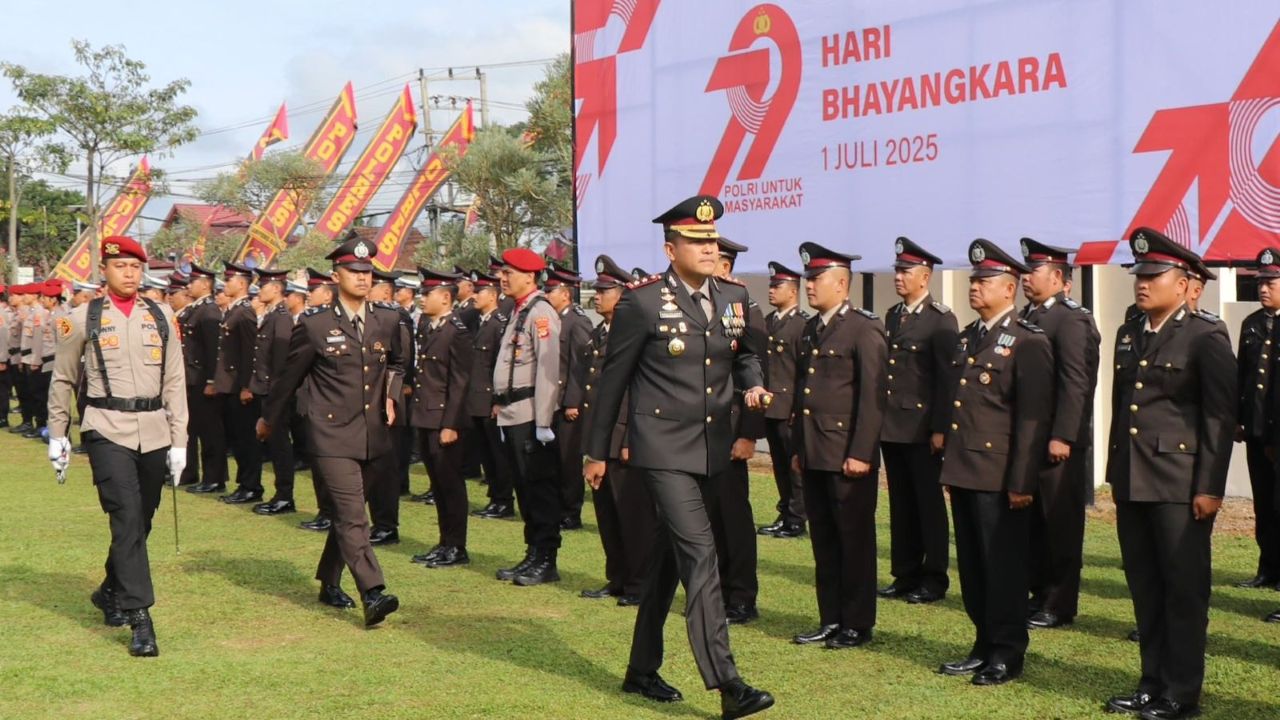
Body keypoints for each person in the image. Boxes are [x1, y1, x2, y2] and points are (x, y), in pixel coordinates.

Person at [584, 195, 774, 720]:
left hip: (711, 448)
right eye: (697, 241)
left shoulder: (735, 295)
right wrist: (596, 452)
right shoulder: (641, 302)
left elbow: (747, 354)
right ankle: (728, 683)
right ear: (671, 249)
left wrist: (753, 385)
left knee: (668, 561)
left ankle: (641, 668)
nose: (709, 248)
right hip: (662, 448)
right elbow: (612, 382)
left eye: (712, 239)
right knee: (700, 555)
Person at [1102, 228, 1235, 720]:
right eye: (1140, 275)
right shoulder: (1130, 330)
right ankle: (1150, 682)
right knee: (1145, 587)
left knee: (1182, 590)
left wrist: (1209, 487)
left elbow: (1218, 418)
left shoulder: (1205, 335)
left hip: (1180, 485)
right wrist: (1117, 474)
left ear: (1183, 285)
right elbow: (1123, 408)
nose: (1143, 283)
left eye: (1154, 275)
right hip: (1135, 480)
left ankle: (1181, 693)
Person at [47, 235, 188, 657]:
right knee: (125, 517)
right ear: (104, 270)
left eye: (134, 266)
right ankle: (140, 618)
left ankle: (109, 589)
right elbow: (64, 379)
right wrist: (58, 434)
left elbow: (175, 381)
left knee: (141, 521)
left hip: (154, 429)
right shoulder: (80, 318)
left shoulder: (162, 316)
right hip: (106, 427)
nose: (129, 273)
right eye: (120, 266)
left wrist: (180, 439)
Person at [257, 234, 404, 626]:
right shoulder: (316, 325)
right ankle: (373, 591)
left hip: (374, 433)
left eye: (367, 271)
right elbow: (288, 379)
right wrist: (268, 418)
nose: (362, 277)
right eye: (354, 271)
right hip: (331, 435)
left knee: (346, 516)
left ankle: (328, 580)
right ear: (336, 276)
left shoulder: (387, 319)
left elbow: (400, 364)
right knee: (354, 515)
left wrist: (391, 394)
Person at [936, 239, 1053, 687]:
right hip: (965, 470)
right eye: (973, 280)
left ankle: (1007, 652)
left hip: (1001, 475)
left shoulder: (1028, 342)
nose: (974, 287)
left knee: (1002, 566)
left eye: (984, 281)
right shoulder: (970, 337)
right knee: (972, 564)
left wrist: (1022, 480)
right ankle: (983, 642)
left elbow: (1031, 419)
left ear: (1010, 289)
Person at [789, 242, 888, 650]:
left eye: (817, 279)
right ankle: (830, 617)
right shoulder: (813, 327)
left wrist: (862, 453)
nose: (809, 286)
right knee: (825, 542)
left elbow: (872, 396)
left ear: (842, 283)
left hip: (847, 454)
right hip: (816, 452)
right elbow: (804, 393)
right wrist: (799, 448)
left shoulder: (864, 329)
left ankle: (857, 622)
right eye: (808, 279)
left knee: (854, 541)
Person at [1018, 238, 1101, 630]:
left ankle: (1059, 602)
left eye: (1032, 271)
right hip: (1027, 439)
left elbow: (1077, 382)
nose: (1024, 278)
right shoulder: (1027, 315)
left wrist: (1064, 435)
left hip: (1056, 440)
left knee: (1060, 524)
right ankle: (1037, 593)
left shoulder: (1070, 319)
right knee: (1032, 523)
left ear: (1057, 277)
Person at [569, 254, 656, 607]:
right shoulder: (600, 332)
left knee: (632, 515)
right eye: (598, 290)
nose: (598, 296)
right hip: (600, 439)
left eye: (605, 291)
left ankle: (640, 583)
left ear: (622, 295)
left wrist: (627, 439)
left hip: (624, 440)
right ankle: (617, 577)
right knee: (606, 513)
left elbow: (635, 391)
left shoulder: (633, 333)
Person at [878, 237, 958, 605]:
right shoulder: (894, 315)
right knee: (901, 504)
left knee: (928, 504)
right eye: (897, 270)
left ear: (924, 277)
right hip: (893, 426)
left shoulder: (941, 320)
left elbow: (947, 380)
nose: (899, 277)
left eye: (906, 271)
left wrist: (941, 428)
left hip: (923, 428)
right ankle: (905, 572)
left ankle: (934, 577)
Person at [491, 248, 564, 586]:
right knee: (524, 487)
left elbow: (548, 370)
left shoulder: (541, 313)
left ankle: (546, 559)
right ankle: (533, 553)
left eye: (510, 273)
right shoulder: (517, 310)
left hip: (531, 414)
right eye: (502, 272)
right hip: (512, 412)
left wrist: (544, 422)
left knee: (539, 489)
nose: (502, 278)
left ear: (530, 276)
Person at [408, 268, 474, 568]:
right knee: (437, 484)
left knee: (450, 484)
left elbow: (460, 382)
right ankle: (444, 542)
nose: (422, 299)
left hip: (444, 420)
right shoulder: (428, 325)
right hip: (425, 415)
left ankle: (457, 546)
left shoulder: (456, 331)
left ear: (446, 298)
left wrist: (451, 423)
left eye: (427, 294)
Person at [1235, 246, 1280, 591]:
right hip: (1257, 430)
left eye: (1271, 281)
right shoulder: (1251, 324)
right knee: (1264, 504)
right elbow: (1242, 376)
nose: (1263, 288)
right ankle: (1268, 569)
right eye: (1260, 282)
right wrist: (1239, 419)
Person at [758, 261, 808, 540]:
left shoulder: (800, 325)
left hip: (789, 407)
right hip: (770, 406)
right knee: (778, 463)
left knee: (794, 465)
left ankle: (797, 518)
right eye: (771, 285)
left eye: (777, 286)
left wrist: (798, 409)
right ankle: (785, 510)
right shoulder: (769, 321)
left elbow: (803, 372)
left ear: (793, 291)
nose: (771, 290)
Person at [544, 266, 592, 530]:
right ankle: (559, 507)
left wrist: (573, 401)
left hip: (568, 404)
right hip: (554, 400)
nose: (546, 295)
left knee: (568, 460)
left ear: (565, 293)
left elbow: (581, 366)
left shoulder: (577, 321)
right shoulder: (555, 319)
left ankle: (571, 512)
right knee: (554, 459)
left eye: (550, 290)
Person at [247, 268, 297, 516]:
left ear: (276, 288)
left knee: (280, 445)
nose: (260, 290)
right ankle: (280, 494)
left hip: (274, 391)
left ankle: (285, 496)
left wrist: (277, 397)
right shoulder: (271, 315)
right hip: (265, 388)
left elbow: (281, 362)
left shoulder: (281, 317)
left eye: (264, 286)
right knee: (274, 444)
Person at [367, 267, 412, 546]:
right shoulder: (371, 315)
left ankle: (386, 525)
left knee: (385, 466)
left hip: (388, 403)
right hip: (370, 401)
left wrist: (390, 398)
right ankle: (377, 520)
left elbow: (401, 361)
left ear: (385, 290)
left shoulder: (396, 317)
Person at [466, 271, 515, 519]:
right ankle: (495, 498)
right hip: (476, 399)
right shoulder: (480, 322)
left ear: (493, 296)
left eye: (479, 292)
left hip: (490, 401)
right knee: (486, 454)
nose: (474, 296)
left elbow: (501, 365)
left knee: (498, 454)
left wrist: (499, 400)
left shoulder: (499, 325)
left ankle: (504, 501)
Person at [213, 262, 263, 504]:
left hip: (239, 386)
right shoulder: (233, 310)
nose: (225, 284)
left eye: (230, 280)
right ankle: (244, 484)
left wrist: (246, 386)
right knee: (238, 439)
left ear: (242, 284)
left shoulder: (244, 312)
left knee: (246, 439)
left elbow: (249, 353)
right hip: (229, 385)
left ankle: (251, 486)